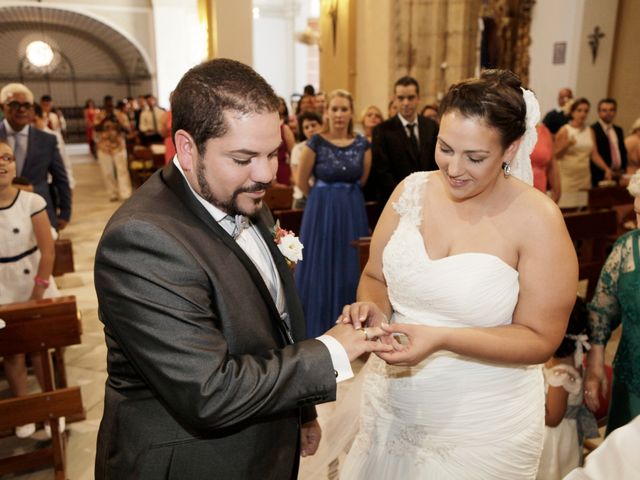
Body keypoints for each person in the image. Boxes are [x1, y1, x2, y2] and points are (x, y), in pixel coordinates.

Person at [93, 58, 389, 480]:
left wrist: (302, 412)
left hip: (265, 441)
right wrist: (332, 350)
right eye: (243, 157)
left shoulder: (242, 196)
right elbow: (208, 392)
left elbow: (277, 319)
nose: (266, 173)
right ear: (187, 146)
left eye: (273, 153)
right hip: (195, 463)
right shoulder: (142, 240)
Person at [338, 70, 578, 478]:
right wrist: (372, 308)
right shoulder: (409, 191)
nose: (453, 168)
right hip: (392, 406)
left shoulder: (538, 219)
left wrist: (442, 338)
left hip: (480, 422)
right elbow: (377, 276)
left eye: (475, 157)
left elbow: (541, 338)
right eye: (445, 148)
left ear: (511, 148)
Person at [294, 89, 371, 339]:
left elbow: (363, 178)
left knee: (350, 265)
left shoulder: (362, 144)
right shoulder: (315, 143)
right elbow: (302, 180)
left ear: (351, 112)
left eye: (344, 109)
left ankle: (351, 329)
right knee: (320, 266)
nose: (339, 114)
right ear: (326, 112)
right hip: (321, 212)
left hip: (351, 210)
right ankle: (319, 330)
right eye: (334, 109)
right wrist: (322, 198)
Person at [0, 140, 59, 439]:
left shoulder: (31, 202)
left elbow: (47, 251)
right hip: (1, 285)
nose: (2, 164)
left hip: (33, 278)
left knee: (39, 349)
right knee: (12, 353)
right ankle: (23, 410)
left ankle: (50, 410)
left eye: (7, 158)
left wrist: (39, 292)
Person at [584, 171, 640, 436]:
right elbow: (601, 312)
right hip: (632, 383)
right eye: (639, 213)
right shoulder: (626, 249)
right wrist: (595, 365)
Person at [537, 297, 599, 480]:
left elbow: (552, 418)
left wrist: (525, 403)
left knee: (550, 472)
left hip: (554, 439)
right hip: (566, 431)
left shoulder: (561, 375)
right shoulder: (572, 359)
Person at [0, 83, 71, 230]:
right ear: (2, 107)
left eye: (27, 105)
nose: (21, 110)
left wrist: (65, 212)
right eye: (14, 104)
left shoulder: (47, 140)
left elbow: (60, 178)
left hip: (40, 211)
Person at [370, 76, 439, 208]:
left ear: (418, 98)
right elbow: (382, 171)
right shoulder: (382, 130)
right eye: (401, 98)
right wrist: (404, 196)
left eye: (411, 97)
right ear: (394, 99)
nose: (406, 103)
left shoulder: (431, 126)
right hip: (396, 200)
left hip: (428, 199)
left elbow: (435, 162)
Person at [555, 98, 609, 208]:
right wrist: (566, 145)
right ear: (572, 112)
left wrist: (606, 168)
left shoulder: (590, 131)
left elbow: (594, 154)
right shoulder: (565, 130)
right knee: (565, 208)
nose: (583, 114)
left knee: (582, 209)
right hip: (567, 177)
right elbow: (555, 155)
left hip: (584, 176)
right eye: (579, 110)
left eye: (586, 111)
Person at [93, 95, 132, 201]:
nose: (109, 106)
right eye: (107, 104)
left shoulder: (120, 115)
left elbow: (128, 130)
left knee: (122, 171)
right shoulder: (99, 115)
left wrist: (117, 121)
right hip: (104, 148)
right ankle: (112, 194)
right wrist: (105, 119)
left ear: (113, 104)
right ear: (104, 104)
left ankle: (125, 193)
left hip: (119, 146)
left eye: (111, 104)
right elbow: (96, 128)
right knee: (107, 172)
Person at [590, 98, 628, 186]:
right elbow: (594, 154)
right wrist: (606, 170)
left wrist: (623, 170)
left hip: (618, 174)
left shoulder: (618, 130)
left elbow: (622, 151)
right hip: (600, 175)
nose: (608, 113)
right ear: (599, 112)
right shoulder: (593, 129)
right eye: (604, 110)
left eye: (611, 110)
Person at [290, 110, 323, 209]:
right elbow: (297, 178)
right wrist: (312, 197)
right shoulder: (298, 148)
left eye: (313, 125)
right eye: (306, 127)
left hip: (324, 196)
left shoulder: (328, 147)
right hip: (303, 198)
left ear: (321, 125)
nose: (310, 129)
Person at [531, 122, 561, 202]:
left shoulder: (544, 132)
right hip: (513, 196)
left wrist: (556, 194)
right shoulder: (507, 128)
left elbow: (552, 165)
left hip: (540, 194)